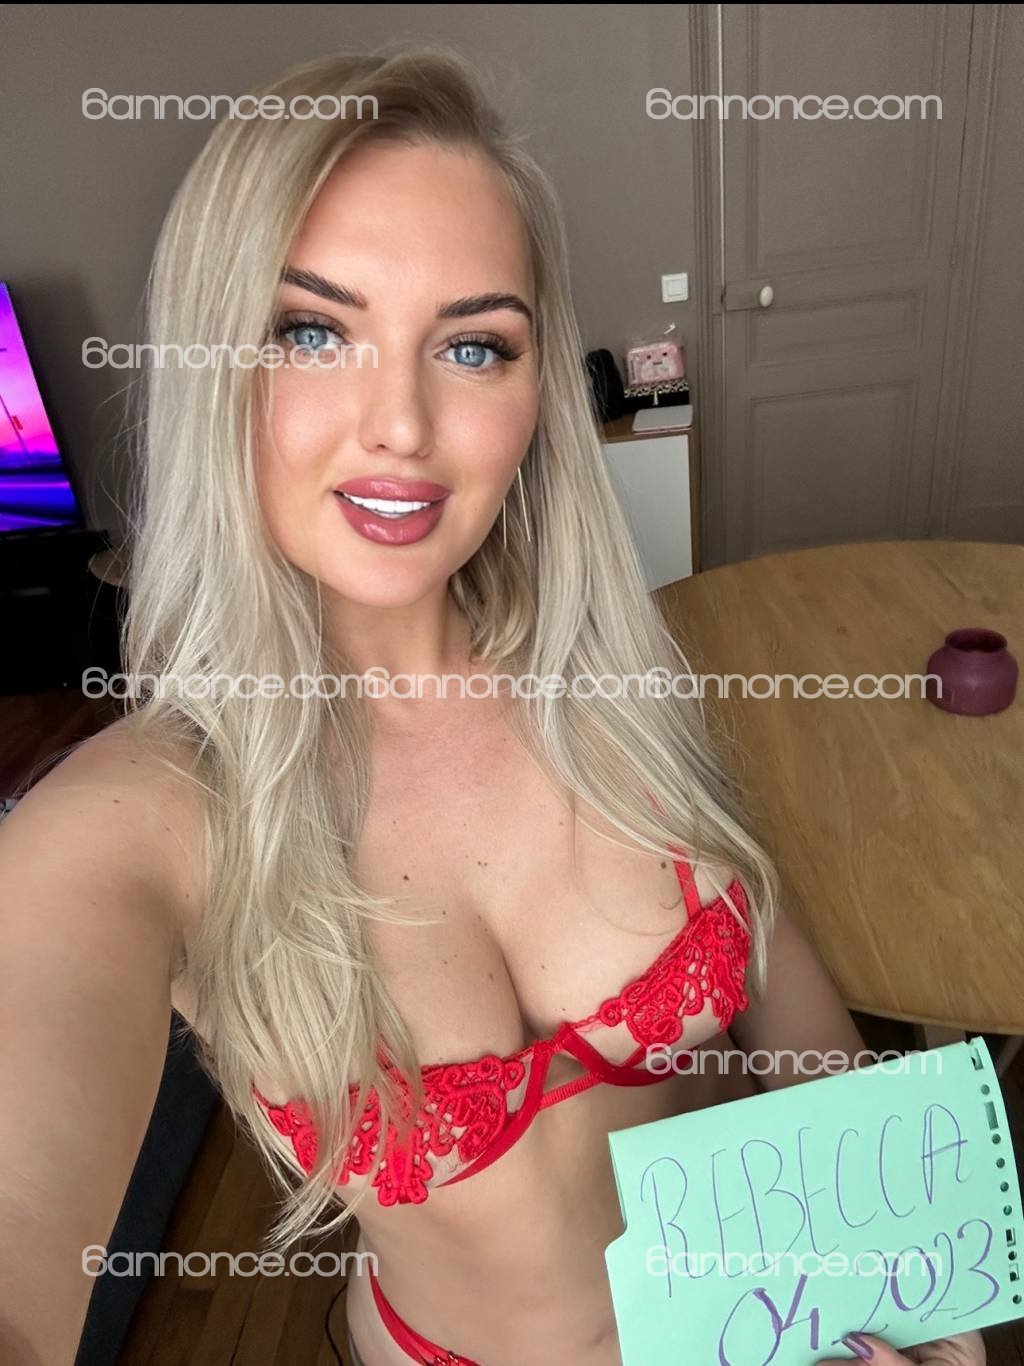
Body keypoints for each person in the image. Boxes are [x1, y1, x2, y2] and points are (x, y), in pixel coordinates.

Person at [0, 44, 986, 1366]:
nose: (402, 423)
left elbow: (769, 959)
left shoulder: (613, 669)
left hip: (746, 1328)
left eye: (472, 346)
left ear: (534, 399)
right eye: (311, 331)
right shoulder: (145, 820)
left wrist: (899, 1280)